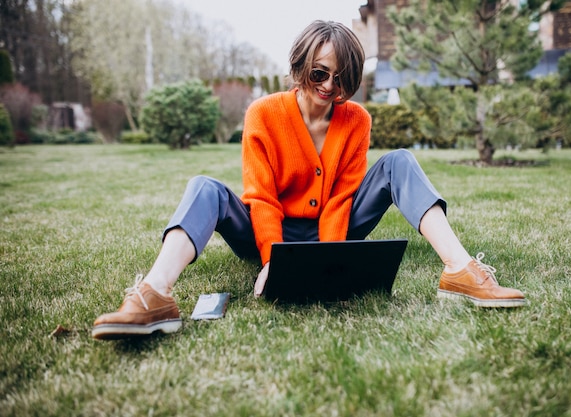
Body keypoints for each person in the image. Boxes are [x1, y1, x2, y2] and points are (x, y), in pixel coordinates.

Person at [92, 20, 526, 340]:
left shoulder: (356, 119)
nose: (328, 87)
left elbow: (341, 197)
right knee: (204, 186)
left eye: (341, 79)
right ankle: (154, 294)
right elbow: (260, 198)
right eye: (319, 73)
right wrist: (270, 264)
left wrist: (329, 262)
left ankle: (460, 271)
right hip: (272, 228)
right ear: (300, 66)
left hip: (334, 229)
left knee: (399, 161)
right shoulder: (263, 113)